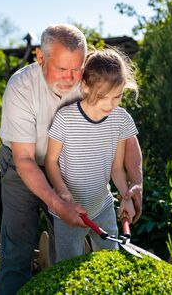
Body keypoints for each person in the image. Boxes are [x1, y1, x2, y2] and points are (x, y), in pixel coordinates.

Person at [0, 24, 142, 295]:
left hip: (67, 167)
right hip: (22, 166)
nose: (71, 77)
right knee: (17, 249)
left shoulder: (90, 82)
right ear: (40, 57)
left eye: (77, 68)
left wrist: (134, 184)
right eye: (62, 69)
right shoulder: (20, 87)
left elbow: (125, 136)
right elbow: (26, 160)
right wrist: (58, 201)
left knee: (65, 254)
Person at [45, 48, 139, 262]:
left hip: (103, 207)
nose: (110, 104)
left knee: (109, 266)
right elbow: (50, 162)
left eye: (117, 96)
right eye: (103, 97)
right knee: (68, 271)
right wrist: (63, 194)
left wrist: (126, 197)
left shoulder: (121, 119)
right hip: (69, 214)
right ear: (85, 86)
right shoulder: (65, 119)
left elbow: (116, 169)